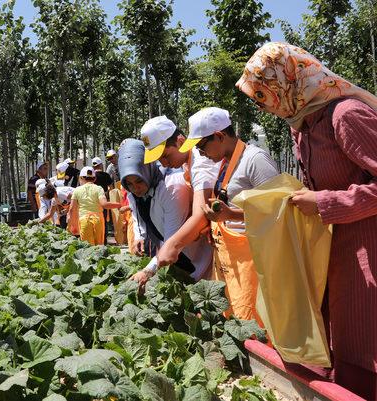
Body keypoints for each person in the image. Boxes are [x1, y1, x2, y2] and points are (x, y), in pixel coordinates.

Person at [236, 42, 377, 400]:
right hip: (330, 254)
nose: (263, 106)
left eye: (264, 95)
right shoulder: (301, 125)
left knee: (365, 345)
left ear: (288, 81)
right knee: (337, 344)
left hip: (367, 252)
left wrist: (327, 202)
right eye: (258, 99)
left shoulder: (345, 116)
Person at [181, 107, 279, 322]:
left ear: (219, 136)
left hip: (253, 261)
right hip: (230, 260)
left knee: (252, 320)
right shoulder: (224, 162)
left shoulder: (255, 160)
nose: (199, 153)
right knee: (233, 316)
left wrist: (231, 216)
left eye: (201, 146)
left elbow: (278, 211)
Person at [131, 116, 217, 289]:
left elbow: (200, 215)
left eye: (165, 156)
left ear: (180, 141)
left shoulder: (200, 164)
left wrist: (169, 247)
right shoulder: (187, 164)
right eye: (159, 159)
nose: (163, 163)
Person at [120, 139, 211, 281]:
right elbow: (136, 212)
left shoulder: (171, 189)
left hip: (193, 255)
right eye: (129, 184)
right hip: (174, 255)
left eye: (139, 181)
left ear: (148, 170)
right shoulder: (134, 194)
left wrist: (148, 271)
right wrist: (140, 235)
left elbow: (172, 240)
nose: (135, 188)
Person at [68, 167, 122, 245]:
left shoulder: (77, 190)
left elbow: (72, 209)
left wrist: (73, 225)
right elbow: (104, 204)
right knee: (99, 247)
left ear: (81, 178)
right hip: (98, 220)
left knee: (87, 248)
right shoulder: (99, 189)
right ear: (95, 179)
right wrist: (119, 204)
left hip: (84, 221)